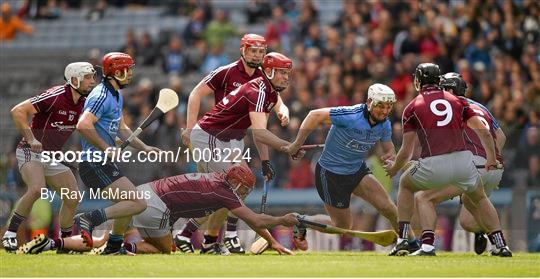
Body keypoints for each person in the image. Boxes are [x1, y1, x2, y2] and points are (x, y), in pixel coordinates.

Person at [175, 51, 300, 254]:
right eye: (282, 73)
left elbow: (259, 129)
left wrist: (266, 161)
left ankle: (204, 239)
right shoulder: (259, 92)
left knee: (241, 185)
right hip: (208, 137)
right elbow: (260, 134)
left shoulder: (269, 93)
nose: (286, 77)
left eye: (288, 73)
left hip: (224, 141)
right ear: (268, 71)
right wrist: (287, 147)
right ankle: (191, 235)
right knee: (232, 188)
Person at [18, 165, 298, 255]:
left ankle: (58, 243)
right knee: (166, 250)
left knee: (110, 239)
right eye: (245, 188)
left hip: (143, 192)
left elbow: (239, 215)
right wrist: (284, 219)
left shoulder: (214, 180)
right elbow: (254, 219)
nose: (245, 193)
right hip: (156, 208)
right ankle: (123, 249)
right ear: (237, 182)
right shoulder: (223, 193)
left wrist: (273, 239)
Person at [384, 63, 511, 256]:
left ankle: (412, 242)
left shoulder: (412, 107)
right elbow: (486, 133)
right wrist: (492, 157)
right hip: (465, 162)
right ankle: (501, 245)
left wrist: (395, 168)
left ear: (418, 81)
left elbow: (406, 151)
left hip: (435, 163)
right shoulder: (460, 102)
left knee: (411, 188)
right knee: (479, 198)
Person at [282, 84, 414, 251]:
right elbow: (314, 116)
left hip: (357, 171)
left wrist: (390, 156)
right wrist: (296, 144)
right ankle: (301, 221)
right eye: (380, 105)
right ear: (369, 102)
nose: (384, 111)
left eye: (388, 107)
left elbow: (388, 147)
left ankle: (410, 244)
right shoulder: (350, 115)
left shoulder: (385, 123)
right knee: (342, 226)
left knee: (388, 207)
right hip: (331, 175)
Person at [2, 62, 96, 253]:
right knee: (37, 189)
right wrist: (31, 138)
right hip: (30, 151)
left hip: (52, 157)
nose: (92, 82)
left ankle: (65, 243)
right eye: (88, 77)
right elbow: (17, 111)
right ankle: (10, 234)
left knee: (73, 197)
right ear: (74, 79)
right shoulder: (56, 96)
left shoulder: (84, 104)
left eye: (93, 77)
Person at [74, 52, 160, 255]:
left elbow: (121, 128)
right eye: (127, 70)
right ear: (116, 72)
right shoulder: (101, 95)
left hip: (104, 163)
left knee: (128, 205)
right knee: (137, 203)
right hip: (95, 163)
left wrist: (144, 148)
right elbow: (83, 124)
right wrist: (106, 147)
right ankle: (90, 218)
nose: (131, 74)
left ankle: (113, 246)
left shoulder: (116, 95)